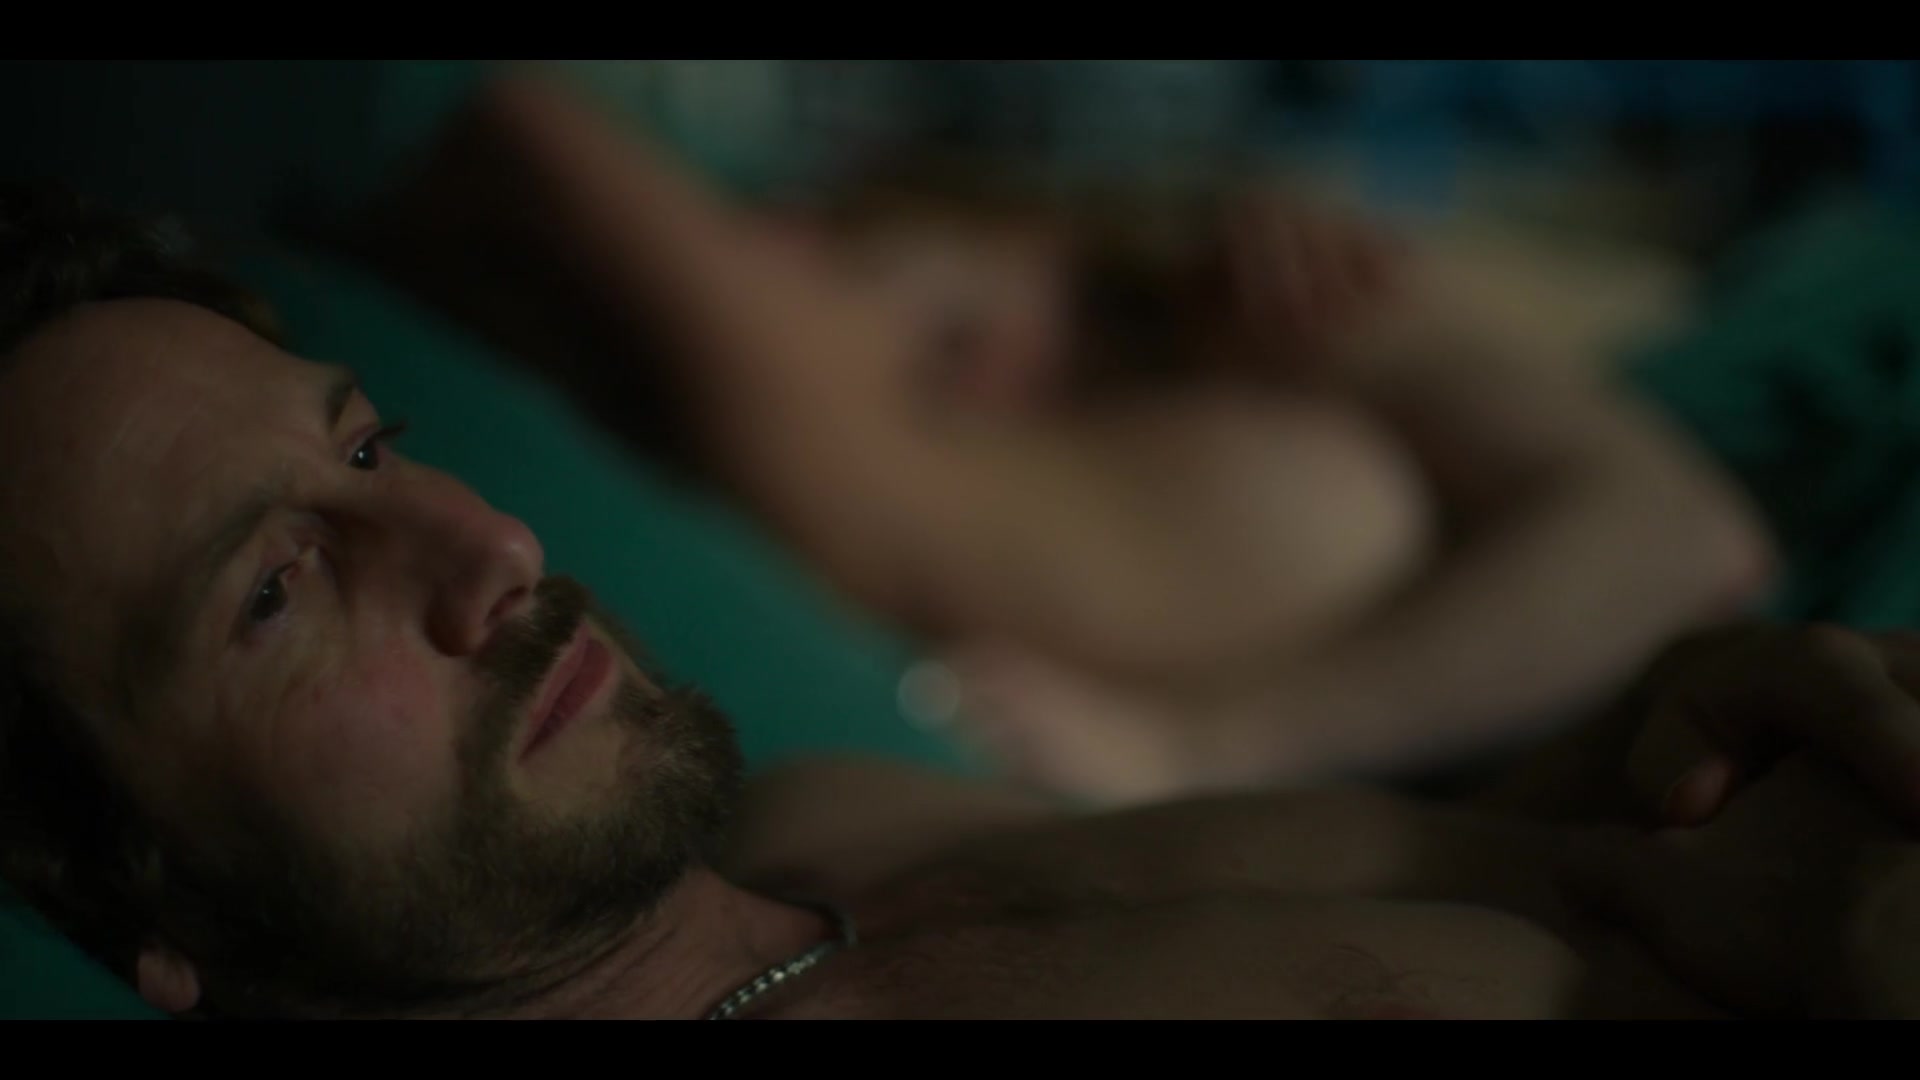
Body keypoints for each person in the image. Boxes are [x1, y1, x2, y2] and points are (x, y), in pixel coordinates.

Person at [4, 87, 1920, 1022]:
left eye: (371, 447)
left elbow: (1496, 864)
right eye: (275, 591)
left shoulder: (816, 839)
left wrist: (1698, 734)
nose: (488, 544)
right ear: (160, 917)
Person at [346, 73, 1774, 804]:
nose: (958, 385)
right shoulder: (1141, 436)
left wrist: (1206, 746)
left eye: (936, 339)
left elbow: (1684, 540)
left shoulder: (1287, 293)